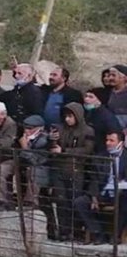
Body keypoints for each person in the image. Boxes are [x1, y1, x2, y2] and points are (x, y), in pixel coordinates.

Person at [48, 102, 94, 240]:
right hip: (59, 170)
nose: (67, 119)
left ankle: (77, 231)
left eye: (70, 116)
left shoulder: (87, 131)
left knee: (74, 201)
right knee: (61, 201)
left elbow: (87, 150)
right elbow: (52, 149)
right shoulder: (60, 128)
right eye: (65, 116)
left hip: (76, 170)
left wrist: (65, 151)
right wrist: (52, 141)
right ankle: (64, 231)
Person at [73, 131, 127, 245]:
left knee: (125, 200)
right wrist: (93, 196)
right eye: (107, 140)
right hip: (103, 192)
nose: (108, 143)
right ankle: (98, 234)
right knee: (80, 202)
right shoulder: (100, 157)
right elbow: (94, 179)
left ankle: (116, 235)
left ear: (120, 143)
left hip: (121, 193)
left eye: (112, 141)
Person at [82, 89, 122, 154]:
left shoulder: (107, 117)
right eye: (86, 96)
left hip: (102, 153)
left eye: (91, 97)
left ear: (100, 100)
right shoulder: (90, 113)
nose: (86, 99)